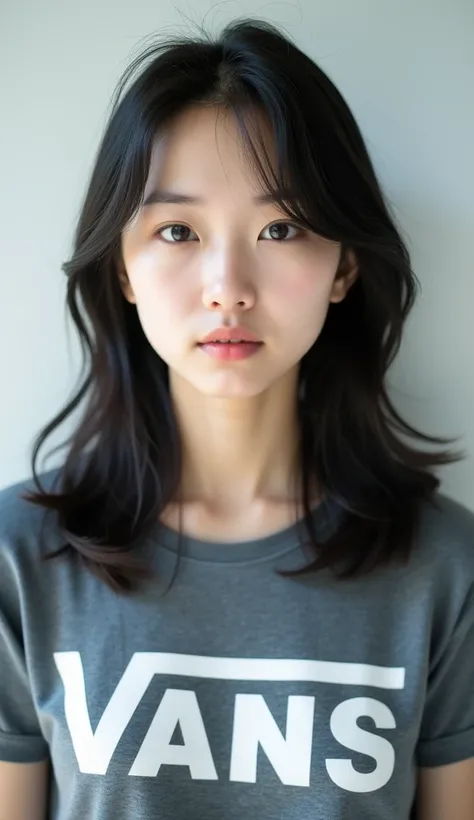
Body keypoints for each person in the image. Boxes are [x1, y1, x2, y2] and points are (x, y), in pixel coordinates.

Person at [0, 16, 473, 820]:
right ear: (123, 267)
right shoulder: (20, 559)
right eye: (177, 230)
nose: (228, 285)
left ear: (344, 267)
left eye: (280, 227)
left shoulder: (443, 568)